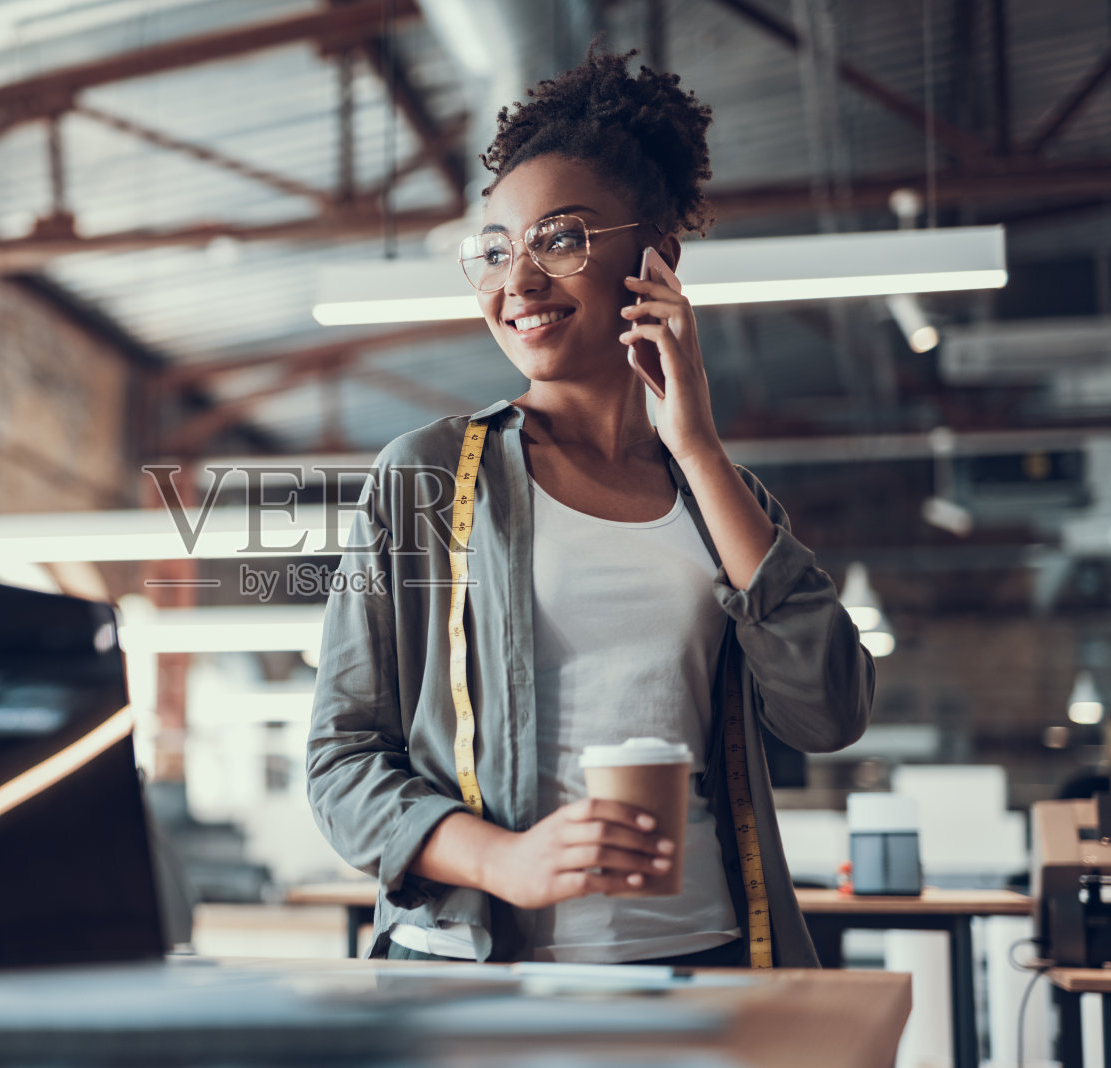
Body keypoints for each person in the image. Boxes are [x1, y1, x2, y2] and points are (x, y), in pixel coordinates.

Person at [305, 44, 875, 966]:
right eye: (494, 249)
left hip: (711, 961)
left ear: (656, 262)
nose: (516, 281)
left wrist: (697, 446)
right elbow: (342, 760)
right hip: (488, 977)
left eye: (560, 239)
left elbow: (831, 711)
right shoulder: (427, 478)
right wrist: (505, 862)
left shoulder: (721, 496)